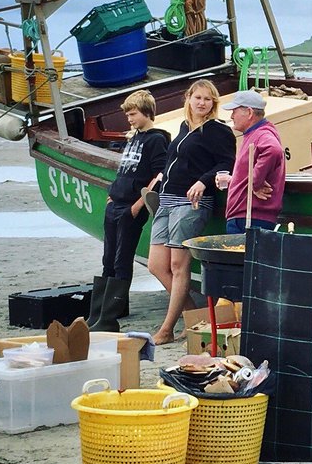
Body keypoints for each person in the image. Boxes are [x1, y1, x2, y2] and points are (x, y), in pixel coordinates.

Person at [146, 79, 236, 346]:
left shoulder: (217, 130)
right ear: (188, 98)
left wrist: (203, 181)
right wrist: (161, 176)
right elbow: (177, 159)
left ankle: (166, 329)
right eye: (197, 98)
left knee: (178, 265)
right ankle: (193, 316)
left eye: (207, 99)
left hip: (191, 202)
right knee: (156, 265)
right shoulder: (184, 127)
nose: (202, 103)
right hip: (166, 199)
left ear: (214, 104)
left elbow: (226, 163)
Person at [89, 90, 169, 332]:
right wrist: (112, 197)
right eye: (128, 115)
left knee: (122, 260)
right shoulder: (133, 138)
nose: (130, 119)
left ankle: (109, 319)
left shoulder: (157, 139)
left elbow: (159, 175)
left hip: (131, 208)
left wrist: (137, 206)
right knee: (108, 259)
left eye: (133, 114)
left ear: (146, 112)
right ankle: (98, 314)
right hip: (116, 203)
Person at [216, 90, 286, 233]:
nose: (231, 116)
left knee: (242, 256)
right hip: (246, 216)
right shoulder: (255, 134)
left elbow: (273, 150)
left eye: (234, 111)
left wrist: (255, 182)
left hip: (249, 217)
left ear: (248, 112)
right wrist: (233, 180)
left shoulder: (261, 134)